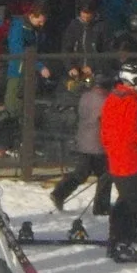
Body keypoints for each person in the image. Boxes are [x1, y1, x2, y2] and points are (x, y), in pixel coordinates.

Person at [100, 61, 137, 262]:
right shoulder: (129, 102)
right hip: (128, 159)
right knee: (133, 203)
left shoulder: (114, 97)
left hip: (117, 157)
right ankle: (123, 243)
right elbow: (133, 133)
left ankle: (116, 240)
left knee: (124, 201)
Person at [50, 70, 112, 215]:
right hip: (98, 142)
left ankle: (60, 192)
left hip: (84, 139)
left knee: (82, 172)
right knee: (105, 174)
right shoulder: (105, 100)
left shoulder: (85, 96)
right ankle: (101, 206)